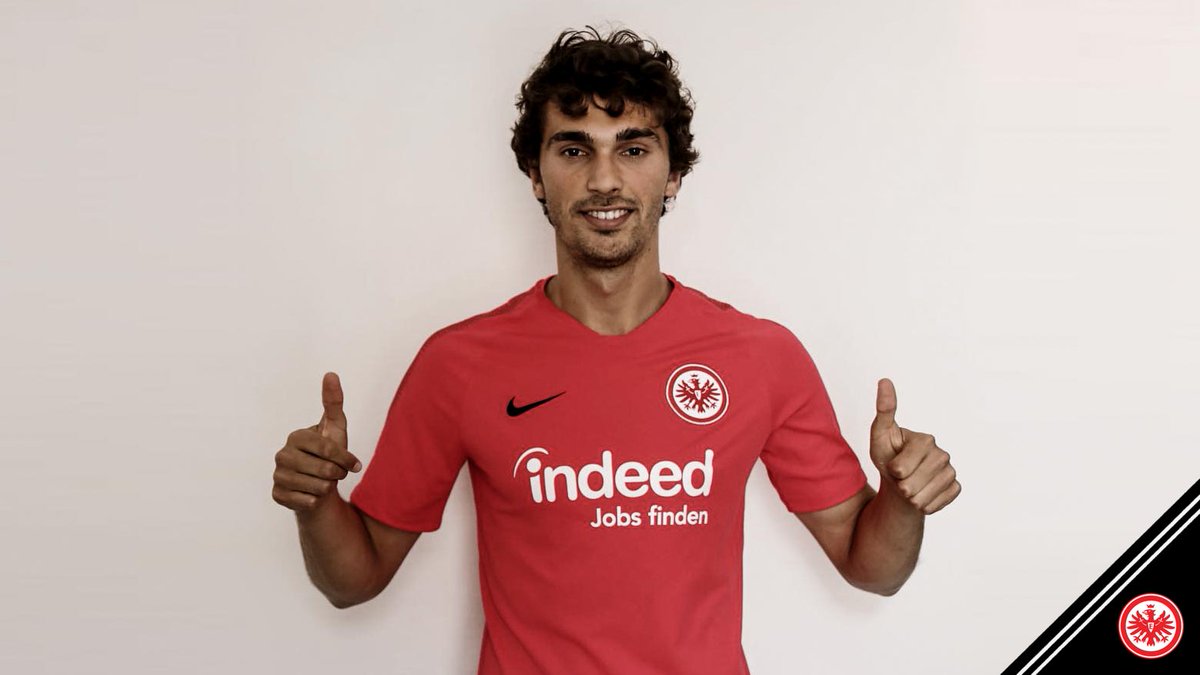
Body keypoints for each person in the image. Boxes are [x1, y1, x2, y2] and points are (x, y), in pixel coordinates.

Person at [272, 26, 961, 674]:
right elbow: (354, 580)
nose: (604, 179)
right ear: (536, 175)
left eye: (633, 149)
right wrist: (315, 501)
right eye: (574, 150)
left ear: (673, 173)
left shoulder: (761, 357)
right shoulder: (458, 364)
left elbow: (871, 567)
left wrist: (903, 500)